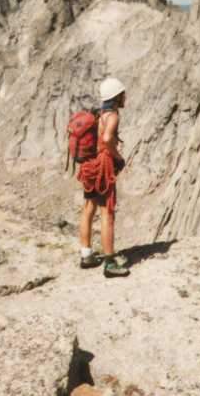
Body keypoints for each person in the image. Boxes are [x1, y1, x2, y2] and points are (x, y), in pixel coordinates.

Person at [77, 77, 130, 278]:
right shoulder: (113, 116)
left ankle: (86, 255)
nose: (125, 97)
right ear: (116, 97)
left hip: (90, 165)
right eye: (123, 94)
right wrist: (118, 157)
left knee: (89, 208)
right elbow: (107, 139)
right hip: (103, 166)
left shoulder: (98, 115)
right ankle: (109, 263)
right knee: (107, 212)